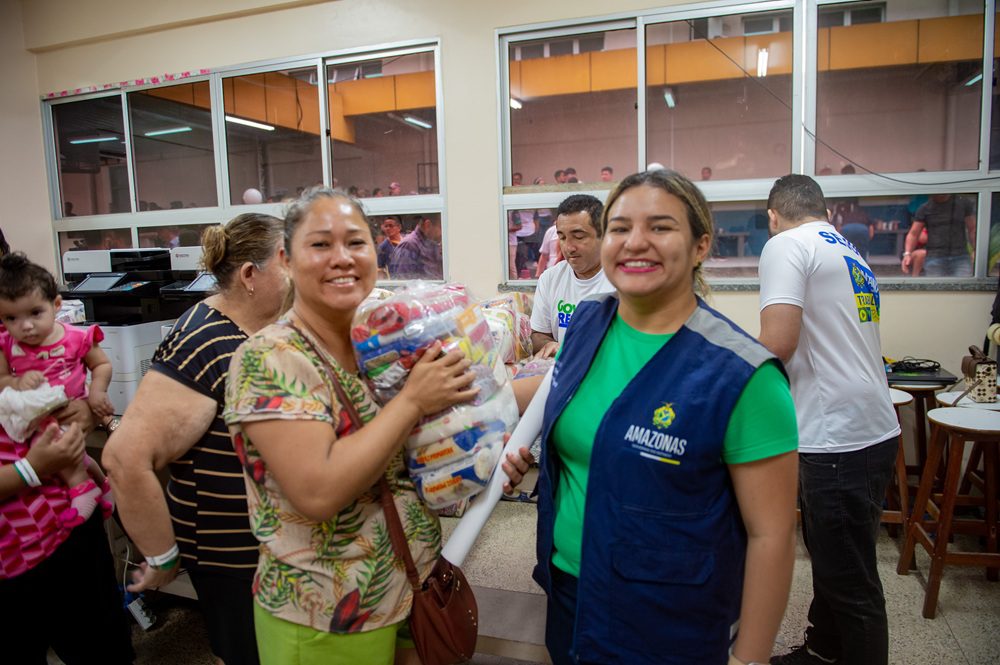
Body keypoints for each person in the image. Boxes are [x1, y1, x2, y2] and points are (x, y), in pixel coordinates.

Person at [222, 187, 531, 664]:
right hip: (327, 609)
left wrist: (486, 456)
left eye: (356, 242)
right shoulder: (270, 357)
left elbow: (419, 453)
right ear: (286, 257)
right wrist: (412, 401)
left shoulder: (380, 344)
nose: (341, 258)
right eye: (320, 244)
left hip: (409, 586)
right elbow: (318, 491)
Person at [521, 169, 799, 665]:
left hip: (668, 617)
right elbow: (569, 412)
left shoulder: (743, 375)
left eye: (661, 227)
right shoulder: (588, 323)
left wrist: (749, 658)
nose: (636, 242)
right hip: (569, 589)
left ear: (700, 246)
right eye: (620, 227)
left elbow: (772, 535)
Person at [103, 213, 288, 665]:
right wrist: (163, 557)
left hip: (265, 547)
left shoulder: (252, 329)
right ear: (250, 274)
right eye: (290, 261)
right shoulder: (205, 339)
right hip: (230, 556)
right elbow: (125, 459)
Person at [758, 174, 901, 665]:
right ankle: (822, 650)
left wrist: (713, 366)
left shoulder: (785, 245)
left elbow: (778, 343)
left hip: (835, 434)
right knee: (835, 559)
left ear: (773, 215)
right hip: (872, 428)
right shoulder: (847, 249)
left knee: (851, 580)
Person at [0, 252, 116, 527]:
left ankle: (97, 488)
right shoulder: (7, 344)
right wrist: (16, 383)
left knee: (78, 452)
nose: (25, 326)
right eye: (11, 318)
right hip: (37, 426)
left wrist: (93, 399)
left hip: (66, 411)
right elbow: (3, 379)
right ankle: (85, 488)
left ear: (56, 305)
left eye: (35, 314)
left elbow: (100, 365)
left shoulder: (74, 337)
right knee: (64, 449)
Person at [530, 195, 613, 358]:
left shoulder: (621, 281)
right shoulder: (550, 278)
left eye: (579, 236)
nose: (568, 247)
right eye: (562, 237)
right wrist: (550, 345)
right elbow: (537, 335)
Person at [902, 194, 975, 277]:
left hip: (960, 255)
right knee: (936, 287)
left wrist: (976, 249)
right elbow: (913, 233)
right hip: (935, 256)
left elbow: (972, 229)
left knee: (962, 287)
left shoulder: (962, 204)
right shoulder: (925, 208)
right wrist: (907, 254)